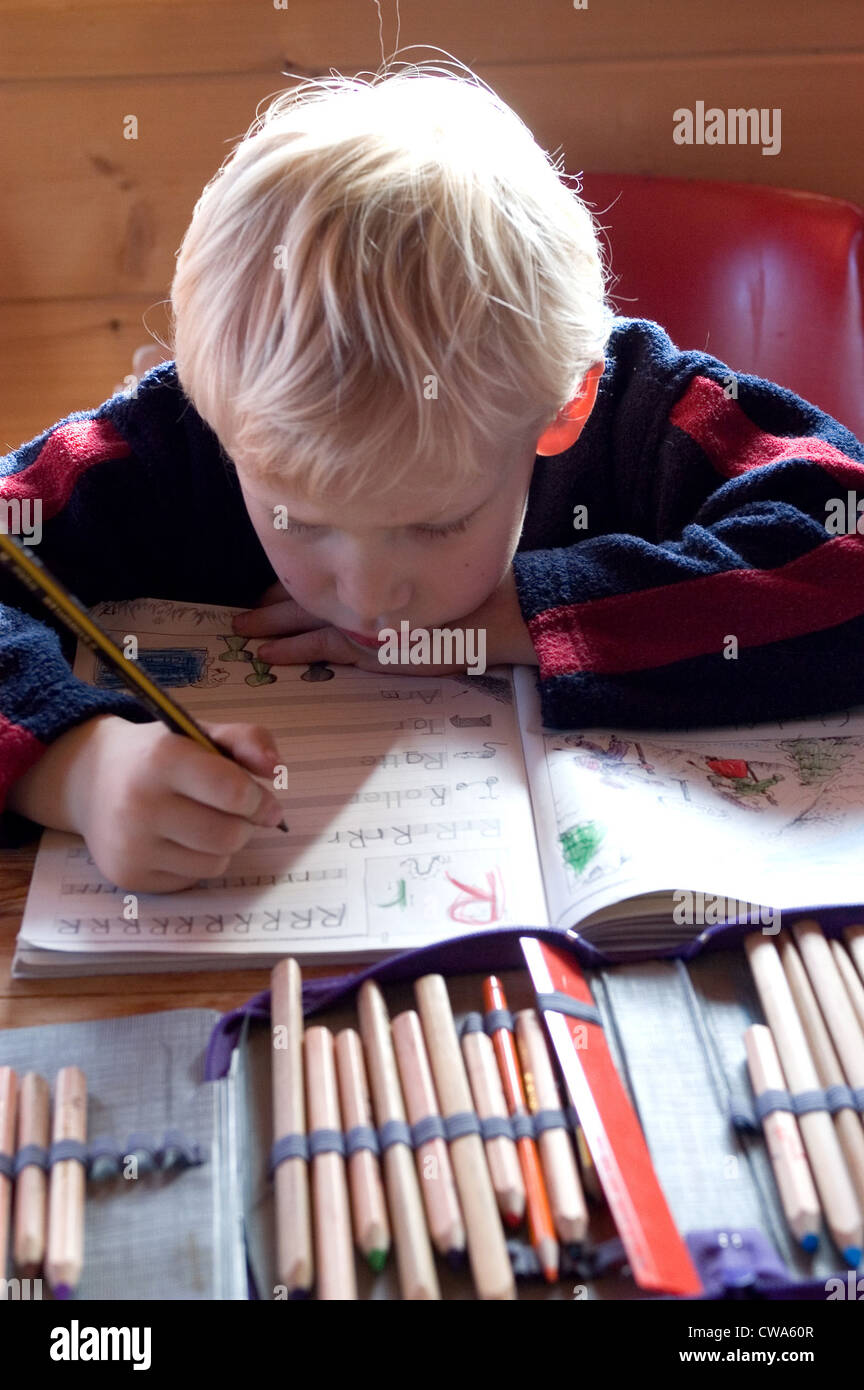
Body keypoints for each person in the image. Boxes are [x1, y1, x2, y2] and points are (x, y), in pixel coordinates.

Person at [3, 66, 863, 893]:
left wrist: (525, 615)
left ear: (565, 406)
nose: (371, 595)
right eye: (296, 519)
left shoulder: (643, 413)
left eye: (437, 524)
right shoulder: (176, 438)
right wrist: (71, 765)